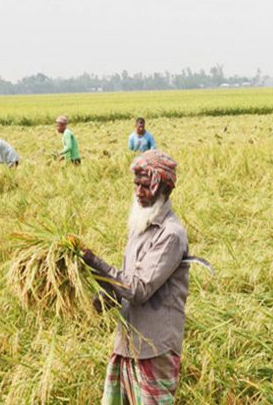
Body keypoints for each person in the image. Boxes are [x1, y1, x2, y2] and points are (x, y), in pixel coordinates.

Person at [81, 150, 189, 403]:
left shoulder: (171, 234)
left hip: (154, 348)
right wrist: (94, 302)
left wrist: (94, 262)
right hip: (127, 344)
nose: (139, 192)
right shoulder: (139, 228)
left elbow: (138, 289)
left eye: (146, 186)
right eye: (136, 185)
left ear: (165, 190)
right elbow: (124, 284)